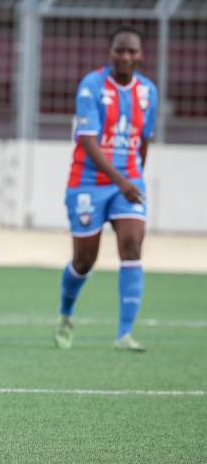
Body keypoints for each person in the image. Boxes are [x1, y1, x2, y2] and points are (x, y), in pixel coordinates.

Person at [54, 26, 157, 352]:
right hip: (87, 183)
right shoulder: (92, 87)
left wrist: (135, 177)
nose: (126, 57)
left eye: (132, 51)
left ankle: (124, 334)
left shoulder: (148, 92)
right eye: (120, 51)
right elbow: (87, 141)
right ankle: (65, 315)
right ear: (110, 53)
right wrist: (123, 180)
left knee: (131, 245)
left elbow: (143, 142)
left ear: (141, 55)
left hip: (127, 183)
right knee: (84, 260)